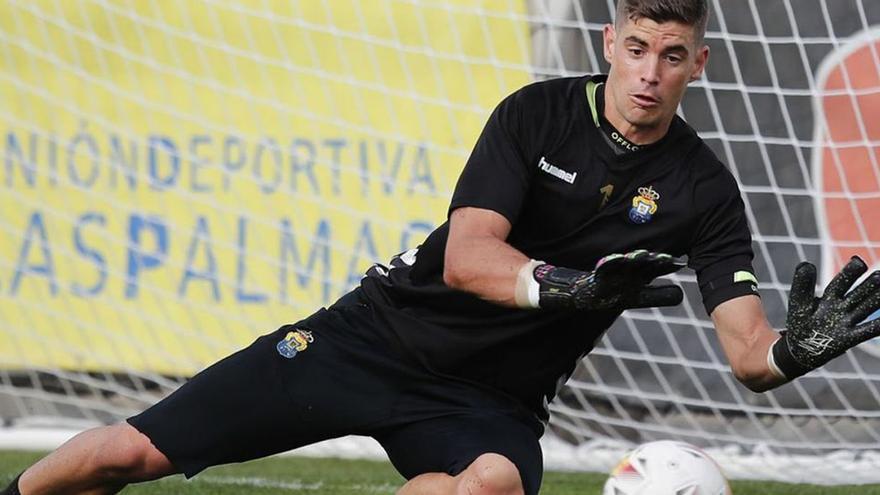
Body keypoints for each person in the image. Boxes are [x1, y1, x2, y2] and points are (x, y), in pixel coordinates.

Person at [7, 1, 880, 494]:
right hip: (376, 337)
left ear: (702, 63)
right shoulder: (534, 114)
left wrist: (791, 352)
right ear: (611, 43)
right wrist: (564, 286)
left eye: (674, 54)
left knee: (489, 486)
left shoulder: (704, 189)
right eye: (639, 48)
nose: (651, 72)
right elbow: (469, 256)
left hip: (490, 397)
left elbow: (747, 352)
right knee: (128, 453)